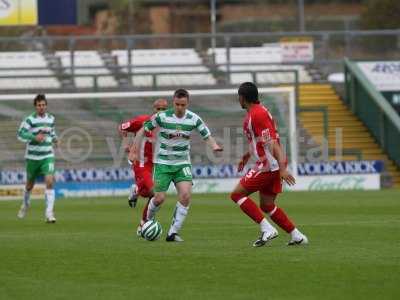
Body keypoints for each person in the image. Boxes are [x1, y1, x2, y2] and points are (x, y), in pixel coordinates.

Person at [130, 88, 223, 242]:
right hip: (163, 163)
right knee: (159, 198)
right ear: (173, 102)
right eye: (177, 104)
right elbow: (142, 130)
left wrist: (214, 146)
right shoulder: (161, 117)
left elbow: (206, 135)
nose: (180, 108)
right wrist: (134, 149)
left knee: (186, 195)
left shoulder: (193, 118)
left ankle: (173, 233)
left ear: (187, 104)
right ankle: (147, 222)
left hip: (182, 163)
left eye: (183, 105)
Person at [230, 82, 308, 247]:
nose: (239, 100)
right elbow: (260, 142)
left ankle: (267, 229)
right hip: (271, 164)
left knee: (236, 195)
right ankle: (297, 236)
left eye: (239, 97)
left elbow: (272, 143)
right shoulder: (257, 113)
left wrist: (282, 168)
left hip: (268, 165)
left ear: (242, 98)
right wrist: (246, 156)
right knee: (267, 204)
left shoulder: (257, 115)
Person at [118, 98, 168, 234]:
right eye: (158, 109)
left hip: (157, 165)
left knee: (150, 194)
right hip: (141, 164)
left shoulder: (169, 125)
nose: (161, 112)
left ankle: (136, 191)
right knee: (157, 194)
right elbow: (122, 127)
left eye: (164, 109)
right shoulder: (143, 121)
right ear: (154, 109)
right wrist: (128, 146)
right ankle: (143, 224)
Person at [17, 94, 58, 223]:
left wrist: (55, 139)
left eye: (43, 105)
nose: (41, 107)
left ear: (46, 106)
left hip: (47, 155)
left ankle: (49, 213)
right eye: (39, 105)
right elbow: (20, 134)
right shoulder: (29, 120)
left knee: (50, 181)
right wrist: (34, 137)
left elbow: (52, 132)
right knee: (29, 186)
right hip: (32, 157)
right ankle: (25, 204)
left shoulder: (51, 119)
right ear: (35, 106)